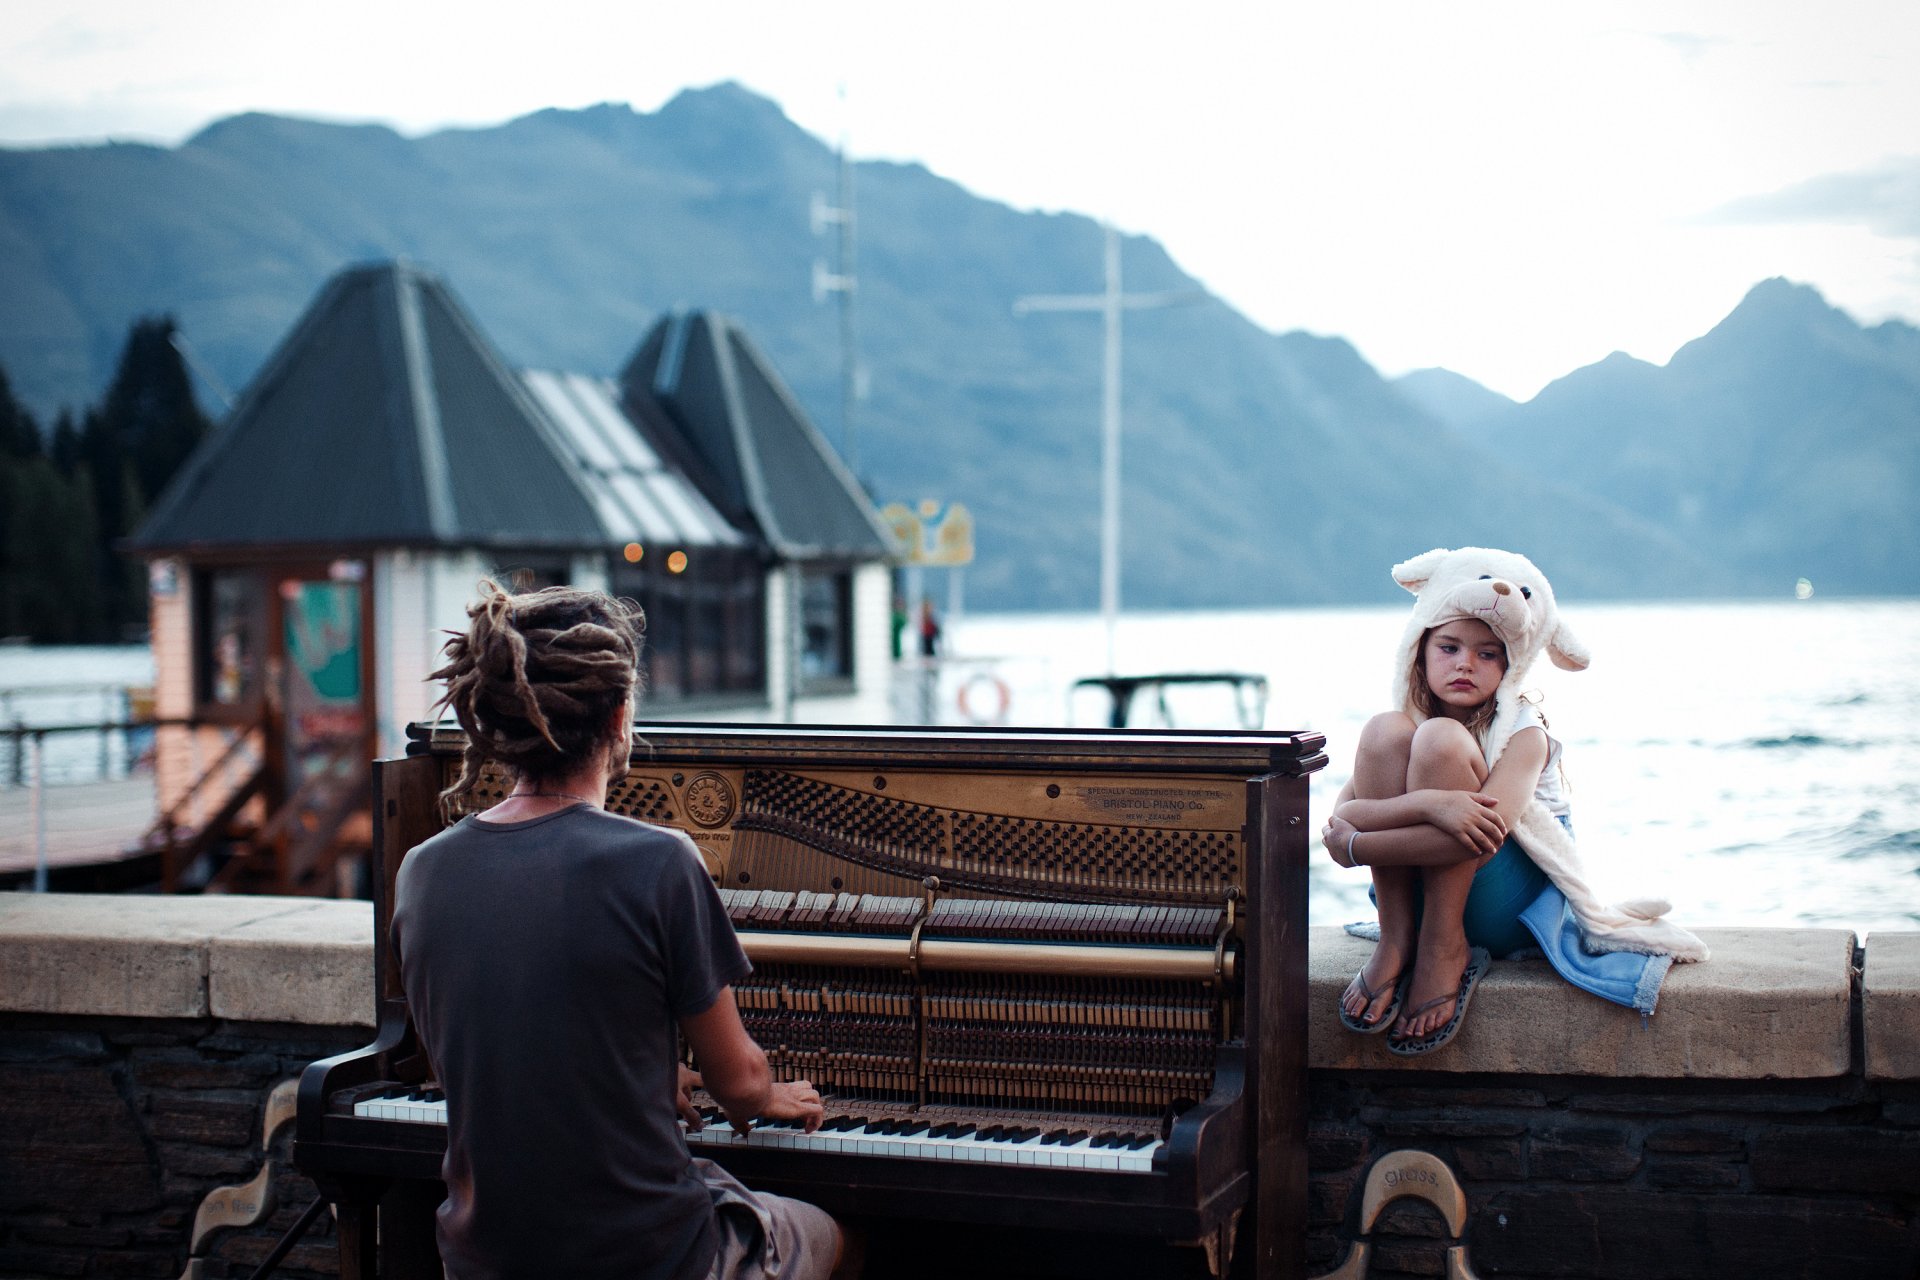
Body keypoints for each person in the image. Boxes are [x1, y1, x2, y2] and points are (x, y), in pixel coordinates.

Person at [391, 581, 852, 1279]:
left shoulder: (421, 870)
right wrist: (772, 1094)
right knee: (837, 1236)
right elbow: (739, 1083)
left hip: (483, 1258)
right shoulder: (658, 860)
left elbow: (487, 1043)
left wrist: (631, 1073)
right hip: (649, 1259)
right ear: (619, 714)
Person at [1321, 547, 1707, 1057]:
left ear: (1513, 665)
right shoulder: (1403, 726)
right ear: (1420, 650)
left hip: (1505, 900)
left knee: (1440, 740)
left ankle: (1444, 948)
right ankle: (1396, 940)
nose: (1466, 664)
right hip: (1414, 892)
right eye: (1450, 648)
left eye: (1488, 654)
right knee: (1384, 728)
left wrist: (1359, 845)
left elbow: (1477, 837)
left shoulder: (1526, 733)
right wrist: (1434, 805)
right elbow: (1344, 815)